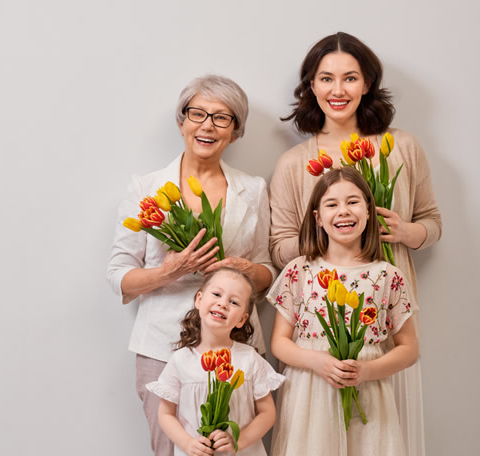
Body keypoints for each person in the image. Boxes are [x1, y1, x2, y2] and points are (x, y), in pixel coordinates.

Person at [269, 32, 440, 454]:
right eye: (326, 78)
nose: (338, 90)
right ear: (311, 85)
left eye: (350, 78)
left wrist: (404, 233)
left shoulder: (401, 147)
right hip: (318, 323)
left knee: (380, 429)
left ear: (367, 84)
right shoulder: (294, 163)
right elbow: (278, 246)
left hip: (382, 316)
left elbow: (432, 223)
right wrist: (326, 249)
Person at [106, 75, 277, 456]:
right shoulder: (145, 188)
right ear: (181, 121)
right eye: (197, 114)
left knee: (234, 447)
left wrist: (243, 271)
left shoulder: (253, 188)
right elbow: (118, 276)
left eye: (222, 118)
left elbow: (267, 270)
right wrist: (172, 270)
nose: (207, 125)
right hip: (162, 347)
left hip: (236, 347)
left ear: (235, 132)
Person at [267, 168, 418, 455]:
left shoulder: (388, 276)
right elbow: (279, 343)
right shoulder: (300, 271)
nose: (343, 212)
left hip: (370, 394)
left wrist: (366, 370)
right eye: (332, 204)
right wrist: (315, 361)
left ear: (369, 211)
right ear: (318, 218)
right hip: (310, 394)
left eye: (353, 202)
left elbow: (409, 349)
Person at [147, 267, 284, 456]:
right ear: (199, 300)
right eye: (217, 294)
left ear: (242, 319)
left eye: (234, 302)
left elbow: (268, 413)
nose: (223, 304)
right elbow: (165, 414)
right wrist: (187, 444)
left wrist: (238, 441)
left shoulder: (249, 358)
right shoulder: (180, 360)